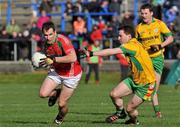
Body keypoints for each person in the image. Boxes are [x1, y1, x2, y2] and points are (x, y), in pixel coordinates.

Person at [84, 25, 156, 125]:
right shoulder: (134, 43)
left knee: (130, 109)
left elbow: (112, 51)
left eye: (120, 36)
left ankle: (134, 121)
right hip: (134, 79)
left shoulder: (130, 45)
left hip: (146, 84)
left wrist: (92, 53)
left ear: (129, 36)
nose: (118, 38)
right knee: (114, 94)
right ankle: (120, 113)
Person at [38, 21, 82, 125]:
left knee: (61, 104)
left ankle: (60, 117)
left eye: (50, 34)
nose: (48, 37)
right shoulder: (45, 43)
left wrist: (54, 60)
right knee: (43, 94)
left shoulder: (63, 40)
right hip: (57, 71)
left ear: (55, 32)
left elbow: (73, 57)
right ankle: (56, 93)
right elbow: (50, 58)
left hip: (71, 74)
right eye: (45, 35)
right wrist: (46, 64)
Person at [136, 3, 174, 118]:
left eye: (146, 13)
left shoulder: (159, 24)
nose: (143, 15)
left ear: (151, 13)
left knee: (154, 88)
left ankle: (156, 112)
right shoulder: (139, 28)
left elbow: (170, 38)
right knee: (143, 85)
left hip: (157, 59)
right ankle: (133, 109)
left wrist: (160, 45)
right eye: (142, 13)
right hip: (145, 59)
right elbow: (136, 45)